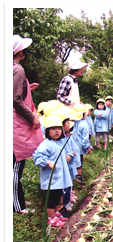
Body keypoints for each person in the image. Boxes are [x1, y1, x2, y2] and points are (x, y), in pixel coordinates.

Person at [13, 34, 44, 213]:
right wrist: (32, 117)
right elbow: (15, 99)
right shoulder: (18, 69)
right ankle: (17, 206)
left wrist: (26, 87)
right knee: (15, 166)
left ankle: (17, 199)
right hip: (16, 124)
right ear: (20, 51)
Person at [33, 115, 72, 227]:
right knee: (52, 199)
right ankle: (51, 218)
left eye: (59, 129)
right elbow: (37, 156)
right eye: (53, 129)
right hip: (52, 179)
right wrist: (48, 162)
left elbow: (66, 152)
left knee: (58, 197)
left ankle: (56, 213)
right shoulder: (46, 144)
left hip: (60, 178)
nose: (57, 131)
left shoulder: (60, 143)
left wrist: (68, 156)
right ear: (47, 131)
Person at [73, 104, 92, 182]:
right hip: (80, 146)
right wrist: (88, 147)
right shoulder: (84, 124)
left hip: (72, 145)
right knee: (80, 160)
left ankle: (73, 175)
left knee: (73, 160)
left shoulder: (72, 122)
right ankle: (79, 176)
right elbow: (85, 138)